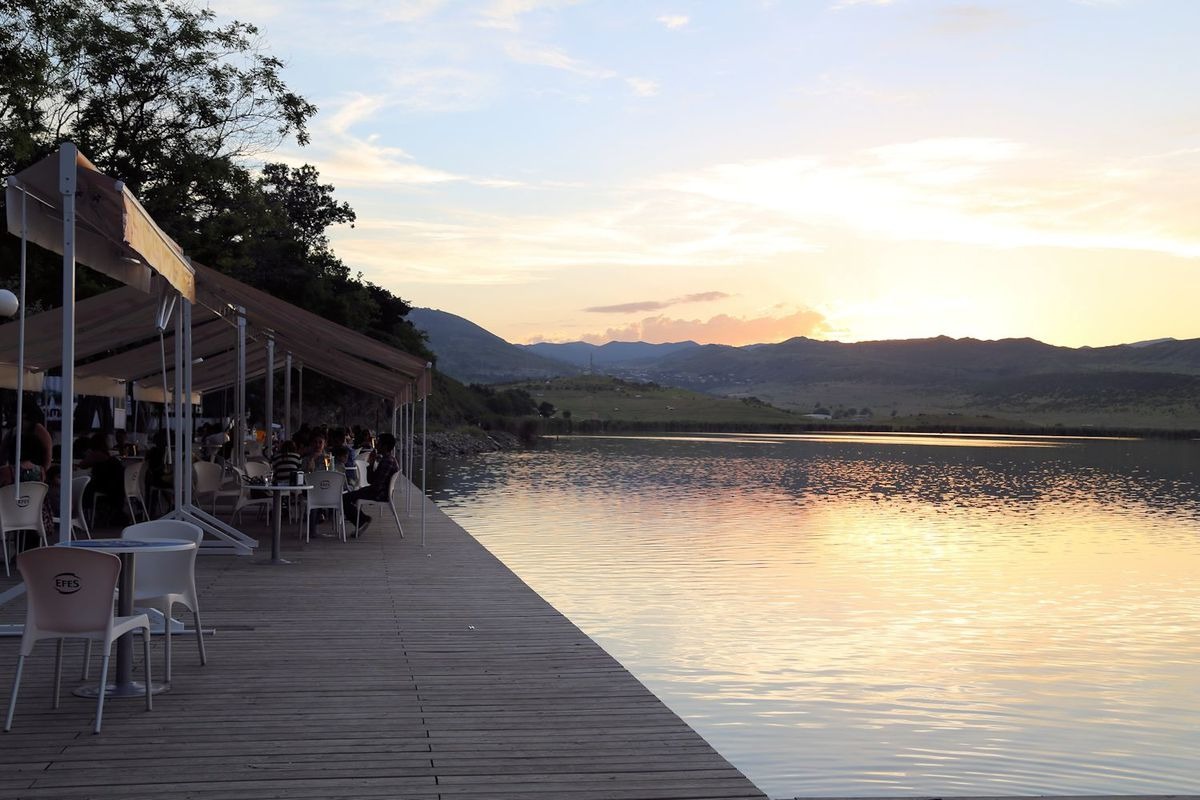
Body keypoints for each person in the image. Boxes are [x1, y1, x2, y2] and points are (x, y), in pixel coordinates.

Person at [341, 432, 400, 536]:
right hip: (379, 490)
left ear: (385, 446)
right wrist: (371, 463)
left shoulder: (387, 461)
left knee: (343, 498)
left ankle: (362, 520)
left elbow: (376, 486)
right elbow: (371, 480)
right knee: (350, 496)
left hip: (380, 493)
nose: (376, 444)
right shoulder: (386, 459)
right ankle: (360, 519)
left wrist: (361, 491)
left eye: (379, 443)